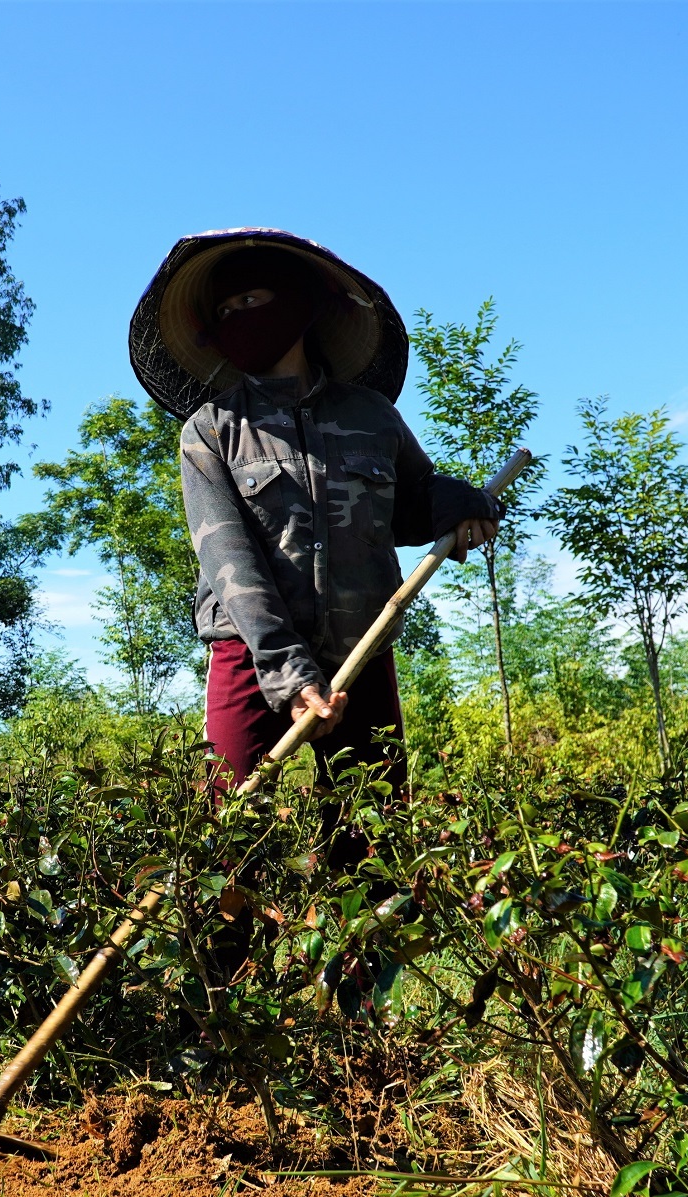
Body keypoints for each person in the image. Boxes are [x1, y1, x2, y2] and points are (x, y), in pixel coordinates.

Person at [129, 228, 499, 799]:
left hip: (362, 648)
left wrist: (460, 504)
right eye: (225, 310)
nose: (238, 316)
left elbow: (410, 508)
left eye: (251, 301)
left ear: (297, 305)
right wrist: (288, 668)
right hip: (252, 652)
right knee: (232, 821)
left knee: (372, 827)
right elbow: (228, 557)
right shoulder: (210, 430)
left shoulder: (373, 417)